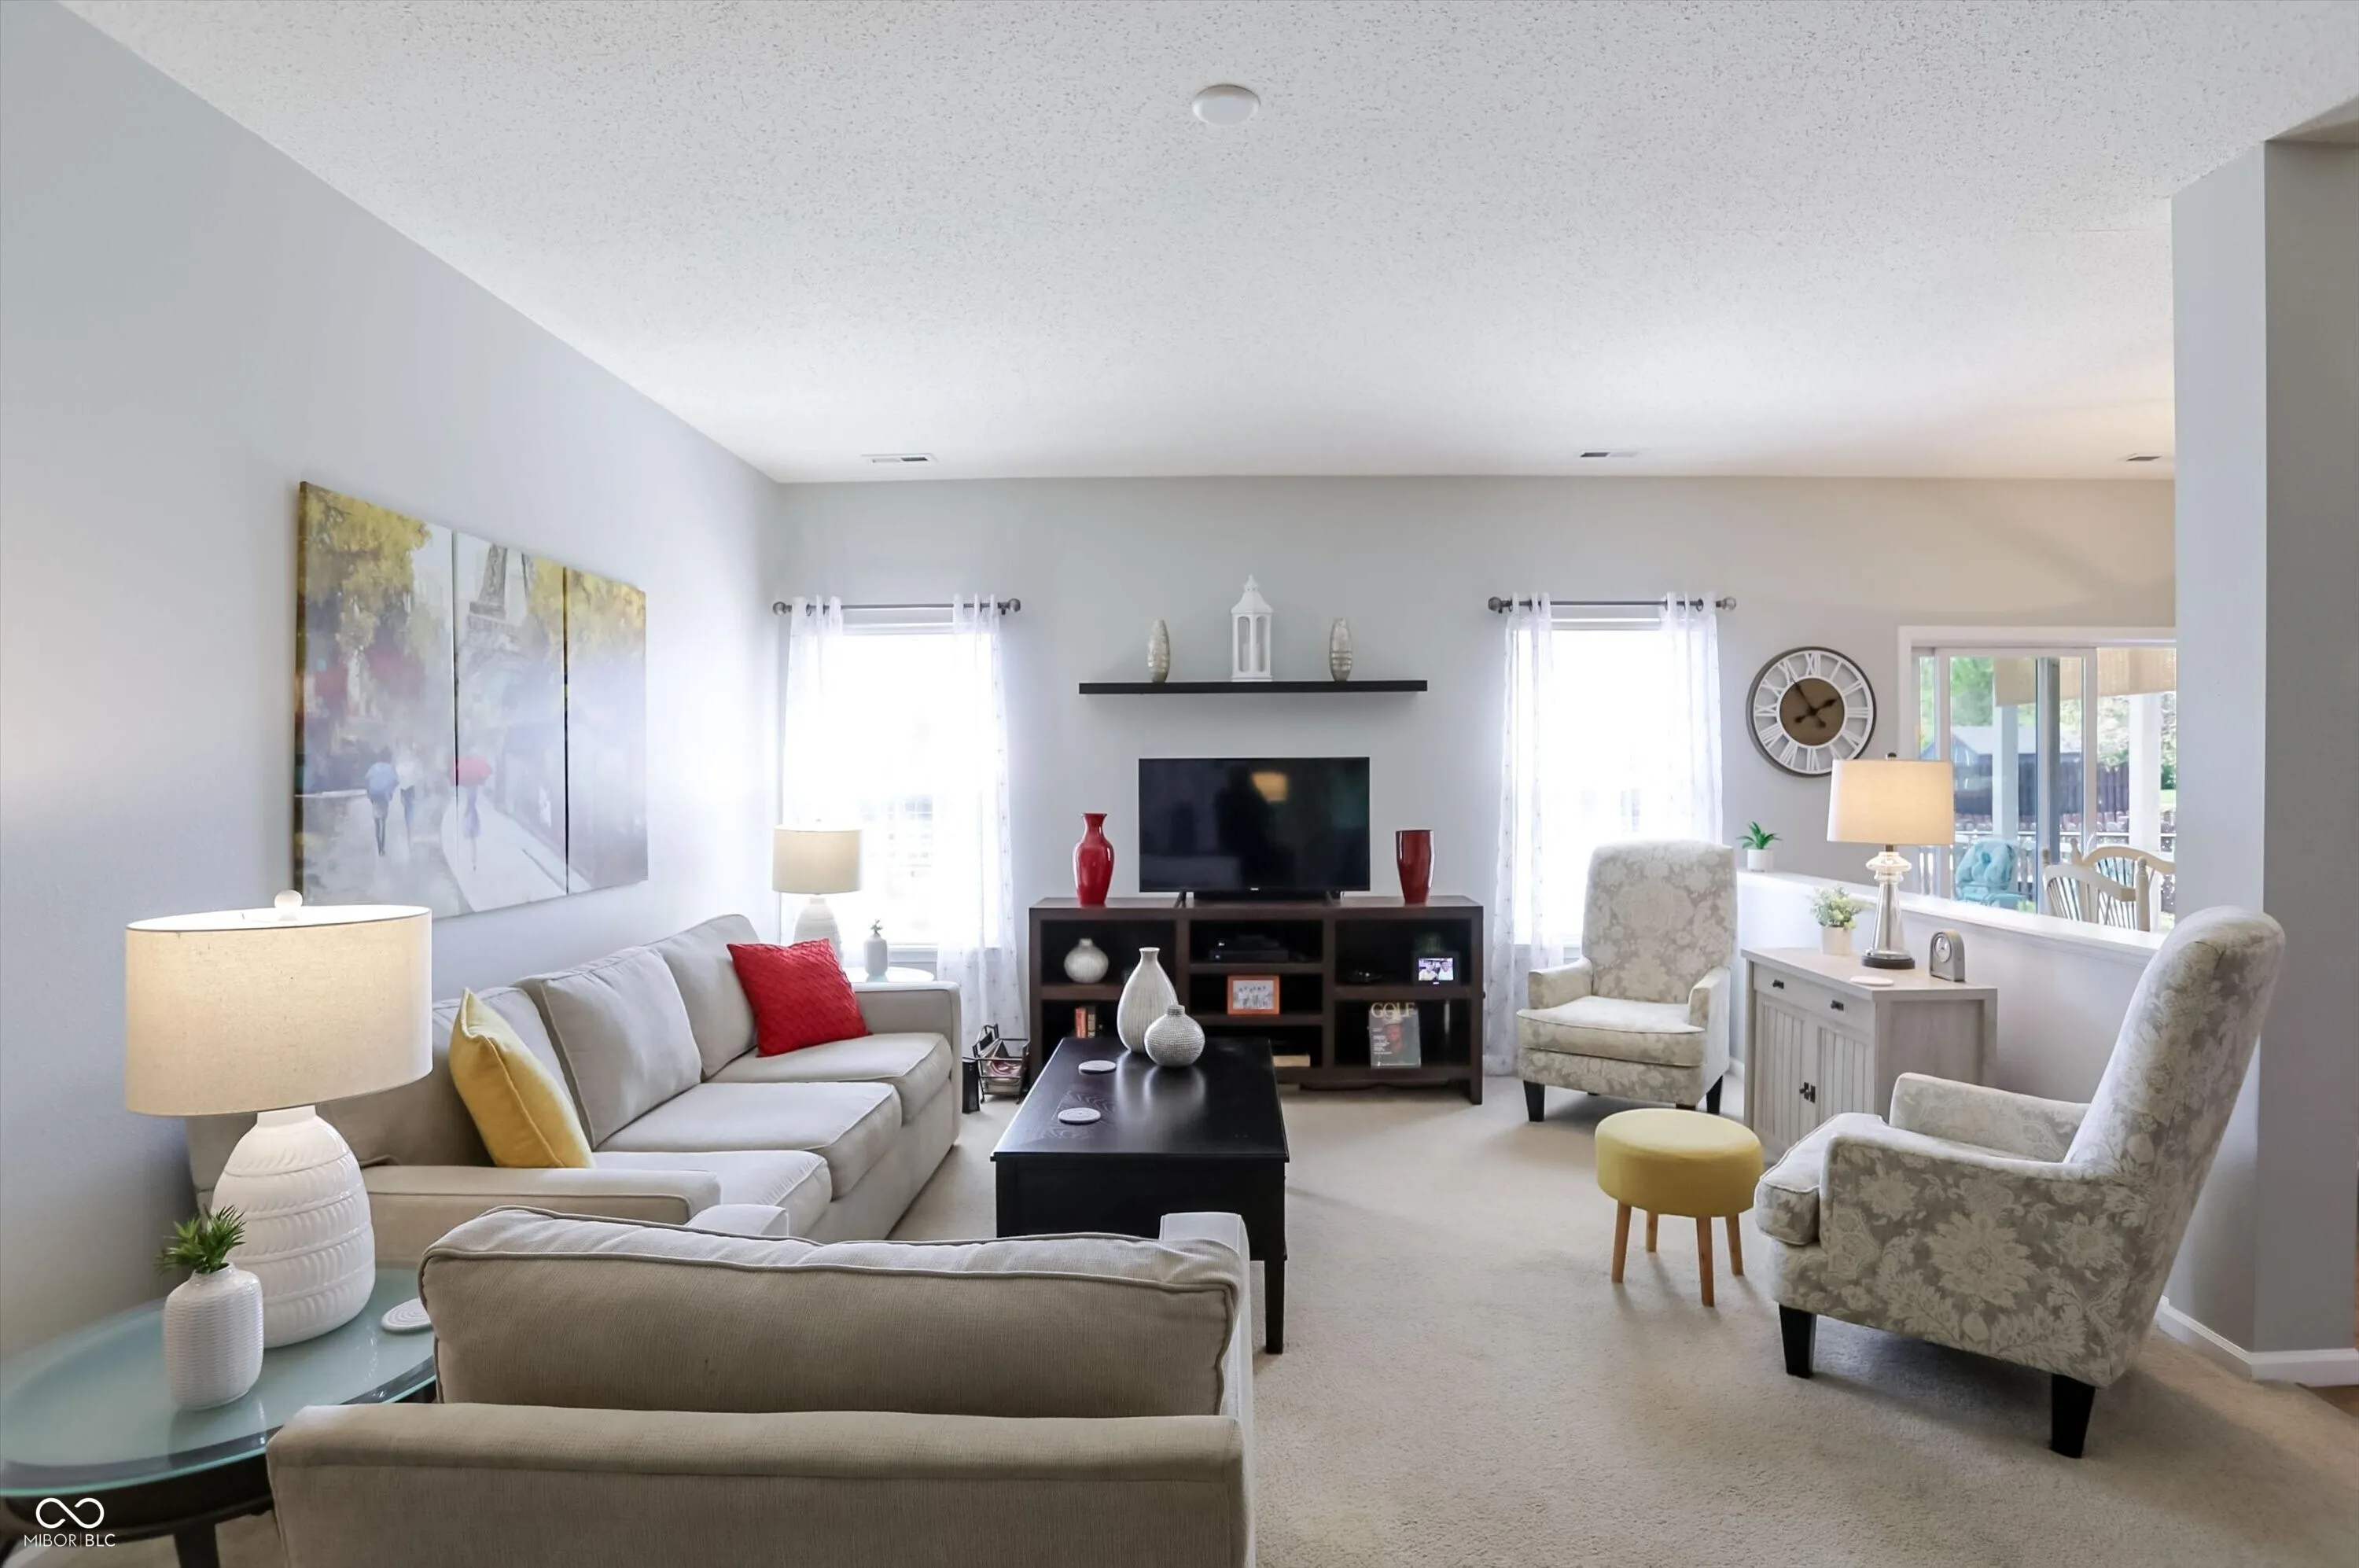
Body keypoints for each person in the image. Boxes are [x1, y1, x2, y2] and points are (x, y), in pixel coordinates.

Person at [363, 749, 399, 856]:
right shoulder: (390, 768)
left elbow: (366, 780)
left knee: (377, 823)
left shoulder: (374, 768)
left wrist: (369, 793)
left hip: (374, 796)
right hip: (384, 797)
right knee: (383, 821)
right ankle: (382, 847)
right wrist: (390, 792)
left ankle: (379, 846)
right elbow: (396, 781)